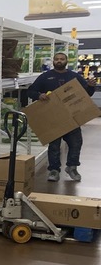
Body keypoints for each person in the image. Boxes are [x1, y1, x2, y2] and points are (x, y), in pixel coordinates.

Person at [26, 52, 96, 182]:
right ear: (53, 61)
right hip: (53, 118)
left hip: (72, 117)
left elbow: (87, 94)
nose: (59, 61)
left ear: (66, 61)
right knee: (54, 146)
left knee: (76, 143)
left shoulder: (75, 77)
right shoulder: (45, 77)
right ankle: (54, 170)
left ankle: (72, 167)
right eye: (57, 59)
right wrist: (38, 95)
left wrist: (91, 86)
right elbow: (30, 91)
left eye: (62, 59)